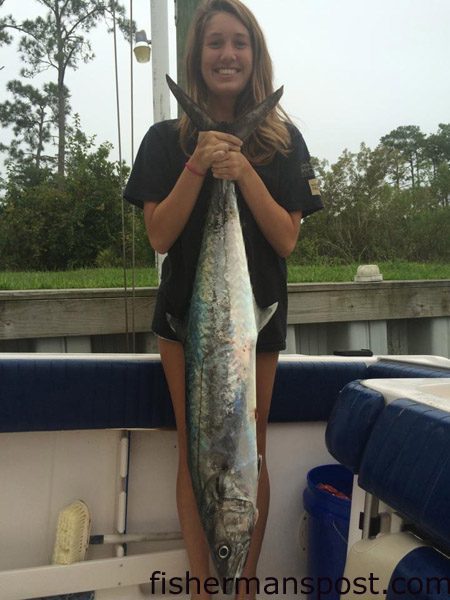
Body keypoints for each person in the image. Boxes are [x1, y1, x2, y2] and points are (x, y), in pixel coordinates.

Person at [124, 1, 323, 597]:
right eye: (215, 43)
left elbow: (285, 239)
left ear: (254, 55)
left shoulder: (284, 141)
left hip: (253, 322)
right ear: (197, 55)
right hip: (185, 320)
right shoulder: (165, 141)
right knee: (196, 450)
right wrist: (197, 165)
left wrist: (242, 170)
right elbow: (160, 235)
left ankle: (243, 584)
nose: (227, 54)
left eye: (239, 42)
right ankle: (204, 585)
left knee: (248, 451)